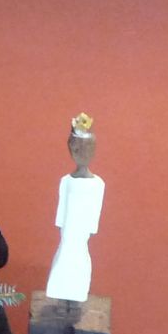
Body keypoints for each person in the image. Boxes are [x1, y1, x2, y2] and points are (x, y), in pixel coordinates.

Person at [45, 113, 105, 303]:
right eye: (77, 149)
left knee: (79, 257)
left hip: (82, 230)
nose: (82, 154)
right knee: (64, 254)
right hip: (68, 228)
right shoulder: (66, 181)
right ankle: (60, 292)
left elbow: (95, 209)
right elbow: (62, 206)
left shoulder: (98, 184)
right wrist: (61, 225)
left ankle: (77, 292)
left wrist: (91, 228)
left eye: (87, 150)